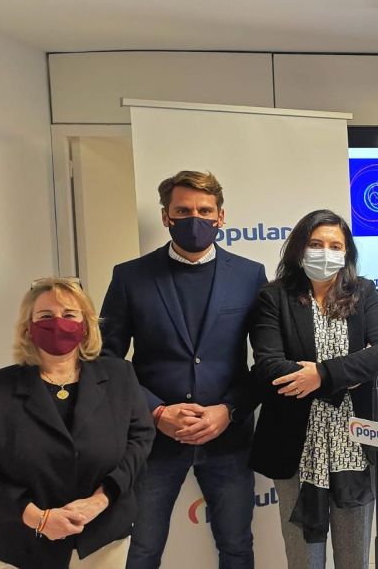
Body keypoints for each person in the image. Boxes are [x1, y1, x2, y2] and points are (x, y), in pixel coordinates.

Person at [99, 170, 267, 569]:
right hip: (152, 441)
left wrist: (229, 410)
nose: (195, 219)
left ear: (221, 216)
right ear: (166, 216)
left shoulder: (250, 275)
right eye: (183, 211)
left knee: (237, 546)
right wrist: (156, 411)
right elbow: (106, 360)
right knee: (142, 549)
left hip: (228, 439)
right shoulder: (130, 276)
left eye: (205, 211)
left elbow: (267, 361)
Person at [248, 210, 378, 569]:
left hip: (355, 443)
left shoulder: (363, 292)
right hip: (294, 445)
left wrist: (321, 374)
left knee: (354, 559)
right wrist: (350, 372)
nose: (325, 252)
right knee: (304, 560)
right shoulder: (274, 296)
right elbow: (269, 365)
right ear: (299, 248)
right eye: (316, 244)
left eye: (335, 246)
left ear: (346, 253)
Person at [0, 278, 154, 569]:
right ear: (28, 328)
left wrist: (101, 499)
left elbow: (140, 439)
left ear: (86, 325)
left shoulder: (119, 375)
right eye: (46, 316)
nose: (58, 323)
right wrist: (38, 518)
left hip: (103, 537)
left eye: (69, 314)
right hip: (22, 542)